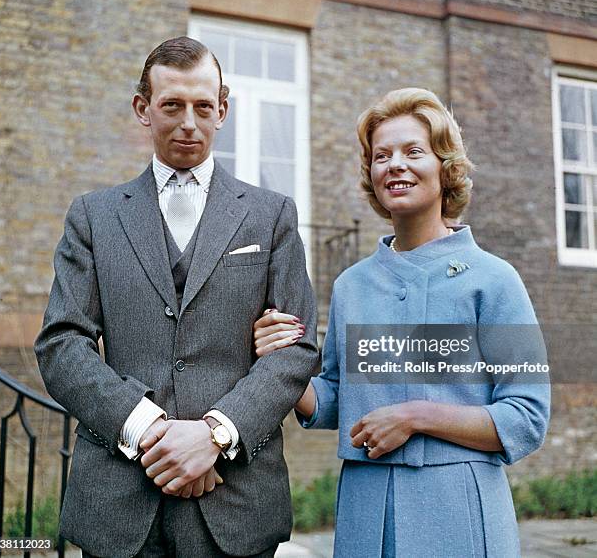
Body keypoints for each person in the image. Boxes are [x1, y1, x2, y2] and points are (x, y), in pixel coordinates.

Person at [34, 36, 318, 558]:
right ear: (144, 108)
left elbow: (298, 350)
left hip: (234, 506)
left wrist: (214, 435)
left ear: (222, 110)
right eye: (172, 105)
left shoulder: (271, 215)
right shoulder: (94, 216)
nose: (189, 122)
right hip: (118, 508)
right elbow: (61, 345)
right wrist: (149, 430)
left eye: (203, 107)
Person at [253, 88, 550, 557]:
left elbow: (527, 417)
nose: (395, 164)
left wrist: (416, 417)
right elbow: (334, 400)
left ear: (445, 167)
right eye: (381, 155)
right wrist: (282, 360)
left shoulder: (496, 281)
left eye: (413, 151)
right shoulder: (352, 285)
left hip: (462, 511)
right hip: (366, 512)